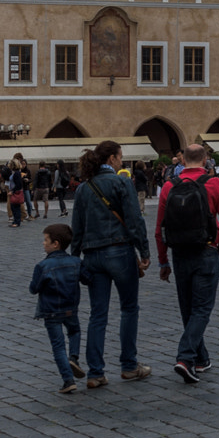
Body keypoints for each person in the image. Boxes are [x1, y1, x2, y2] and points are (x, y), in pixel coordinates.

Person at [70, 142, 152, 387]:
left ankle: (96, 372)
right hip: (119, 251)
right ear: (113, 158)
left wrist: (76, 258)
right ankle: (129, 365)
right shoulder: (121, 182)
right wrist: (144, 250)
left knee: (98, 314)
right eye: (120, 157)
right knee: (129, 309)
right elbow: (134, 219)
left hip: (92, 256)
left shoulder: (84, 188)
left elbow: (78, 228)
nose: (121, 162)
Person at [155, 142, 219, 383]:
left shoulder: (169, 186)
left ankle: (201, 359)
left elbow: (160, 229)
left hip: (180, 254)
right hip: (206, 250)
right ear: (205, 159)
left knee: (189, 309)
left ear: (183, 159)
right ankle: (185, 357)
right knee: (201, 309)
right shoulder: (214, 183)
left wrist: (162, 261)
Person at [30, 224, 85, 394]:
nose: (43, 243)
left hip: (51, 310)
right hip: (71, 308)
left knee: (58, 346)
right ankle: (74, 357)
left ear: (55, 244)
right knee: (75, 332)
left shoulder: (43, 266)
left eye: (45, 240)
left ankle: (68, 379)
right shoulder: (76, 262)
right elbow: (87, 279)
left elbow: (34, 289)